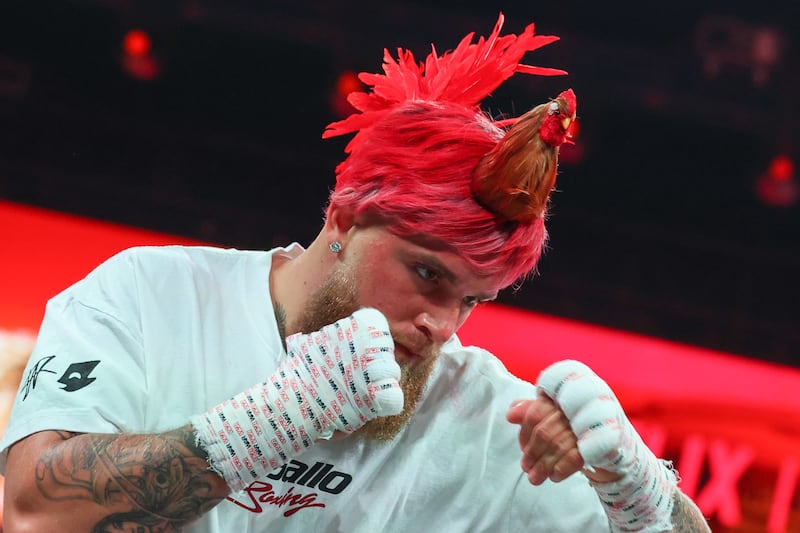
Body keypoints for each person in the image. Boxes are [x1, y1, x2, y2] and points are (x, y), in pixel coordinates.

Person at [0, 13, 710, 533]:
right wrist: (272, 422)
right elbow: (32, 508)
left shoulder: (486, 415)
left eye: (471, 299)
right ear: (343, 217)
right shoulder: (152, 297)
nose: (441, 325)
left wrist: (643, 491)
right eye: (427, 274)